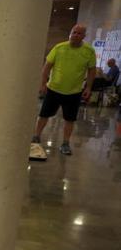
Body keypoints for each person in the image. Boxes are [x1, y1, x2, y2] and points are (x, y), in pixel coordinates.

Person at [31, 24, 96, 155]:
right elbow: (46, 67)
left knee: (70, 119)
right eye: (74, 32)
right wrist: (43, 84)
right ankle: (36, 136)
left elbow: (91, 70)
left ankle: (65, 143)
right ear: (70, 33)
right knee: (43, 115)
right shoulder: (59, 48)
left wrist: (88, 87)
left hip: (74, 92)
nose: (75, 35)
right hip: (53, 89)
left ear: (84, 36)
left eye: (79, 33)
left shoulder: (89, 51)